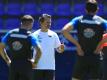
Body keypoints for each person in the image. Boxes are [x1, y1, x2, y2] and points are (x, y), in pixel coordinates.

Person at [62, 0, 107, 80]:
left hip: (82, 55)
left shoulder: (79, 20)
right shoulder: (102, 21)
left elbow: (64, 31)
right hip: (96, 55)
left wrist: (78, 45)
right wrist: (100, 45)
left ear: (85, 9)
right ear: (97, 9)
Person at [0, 15, 41, 80]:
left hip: (13, 64)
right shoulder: (30, 35)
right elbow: (39, 50)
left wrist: (7, 60)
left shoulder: (10, 33)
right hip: (26, 65)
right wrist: (35, 62)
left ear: (21, 23)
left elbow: (1, 47)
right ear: (31, 24)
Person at [32, 14, 64, 80]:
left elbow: (59, 50)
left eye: (50, 22)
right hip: (37, 67)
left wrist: (61, 49)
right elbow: (29, 50)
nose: (49, 24)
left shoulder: (54, 34)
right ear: (41, 22)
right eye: (47, 22)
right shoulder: (34, 35)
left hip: (50, 67)